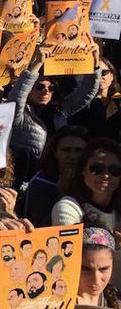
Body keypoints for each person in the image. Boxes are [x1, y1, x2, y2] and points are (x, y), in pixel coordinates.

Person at [8, 45, 100, 188]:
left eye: (51, 88)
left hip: (57, 177)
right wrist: (37, 63)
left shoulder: (58, 111)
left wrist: (95, 63)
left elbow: (86, 93)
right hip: (25, 181)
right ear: (30, 88)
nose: (46, 92)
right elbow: (18, 95)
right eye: (39, 87)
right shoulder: (19, 114)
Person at [20, 126, 88, 227]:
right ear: (55, 152)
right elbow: (41, 225)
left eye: (78, 151)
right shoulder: (41, 183)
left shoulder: (93, 178)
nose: (72, 156)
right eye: (66, 150)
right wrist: (62, 194)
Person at [51, 138, 121, 232]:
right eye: (97, 168)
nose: (105, 175)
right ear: (82, 170)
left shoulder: (117, 213)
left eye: (114, 170)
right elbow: (70, 245)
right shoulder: (68, 208)